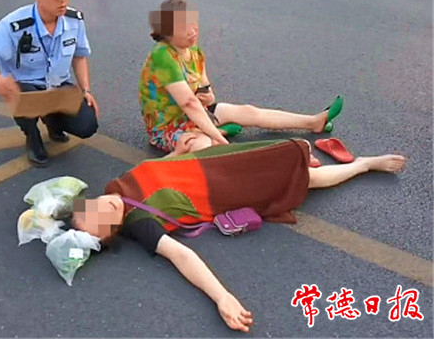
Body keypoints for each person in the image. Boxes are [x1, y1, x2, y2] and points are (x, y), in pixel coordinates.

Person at [71, 139, 406, 332]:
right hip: (221, 188)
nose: (104, 207)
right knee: (307, 180)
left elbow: (158, 171)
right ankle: (363, 165)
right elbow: (181, 255)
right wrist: (222, 297)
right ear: (113, 232)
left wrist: (177, 153)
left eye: (93, 207)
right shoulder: (139, 224)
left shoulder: (115, 187)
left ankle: (312, 160)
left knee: (284, 153)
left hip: (209, 163)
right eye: (102, 222)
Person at [139, 0, 343, 155]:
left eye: (194, 23)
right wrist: (219, 138)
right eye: (184, 28)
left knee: (249, 112)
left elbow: (207, 95)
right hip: (168, 128)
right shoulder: (163, 55)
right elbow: (189, 103)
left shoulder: (194, 51)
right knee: (204, 146)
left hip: (194, 117)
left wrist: (208, 96)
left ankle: (313, 122)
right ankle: (222, 140)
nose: (193, 31)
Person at [0, 0, 99, 166]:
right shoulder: (14, 26)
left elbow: (79, 56)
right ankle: (32, 136)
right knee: (24, 96)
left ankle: (53, 122)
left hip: (58, 88)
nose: (63, 0)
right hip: (27, 90)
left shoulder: (74, 21)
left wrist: (86, 90)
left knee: (87, 125)